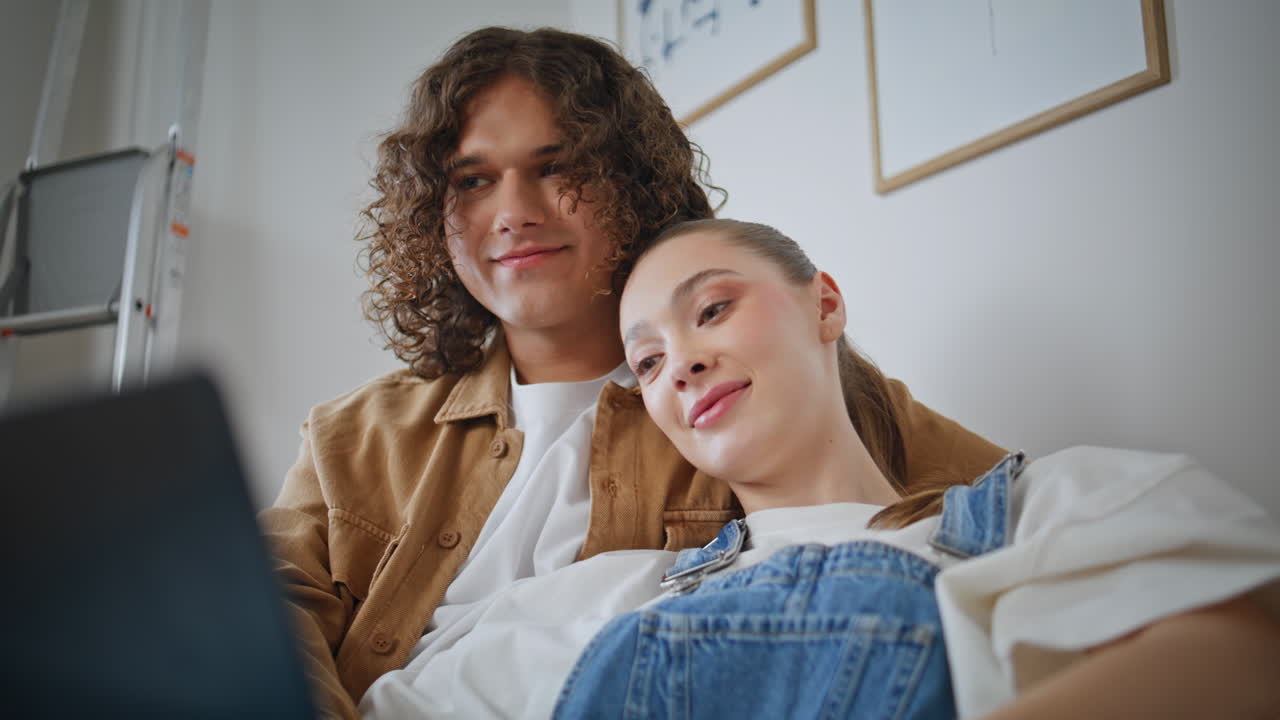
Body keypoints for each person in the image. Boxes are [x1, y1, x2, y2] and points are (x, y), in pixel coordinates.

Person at [259, 28, 1005, 718]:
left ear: (630, 182)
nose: (513, 212)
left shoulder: (753, 394)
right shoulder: (350, 437)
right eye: (473, 181)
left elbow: (1006, 513)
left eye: (555, 168)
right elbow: (262, 628)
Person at [547, 218, 1280, 719]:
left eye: (711, 309)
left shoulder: (1045, 508)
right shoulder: (611, 593)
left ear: (824, 305)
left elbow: (1244, 656)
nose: (682, 364)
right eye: (648, 361)